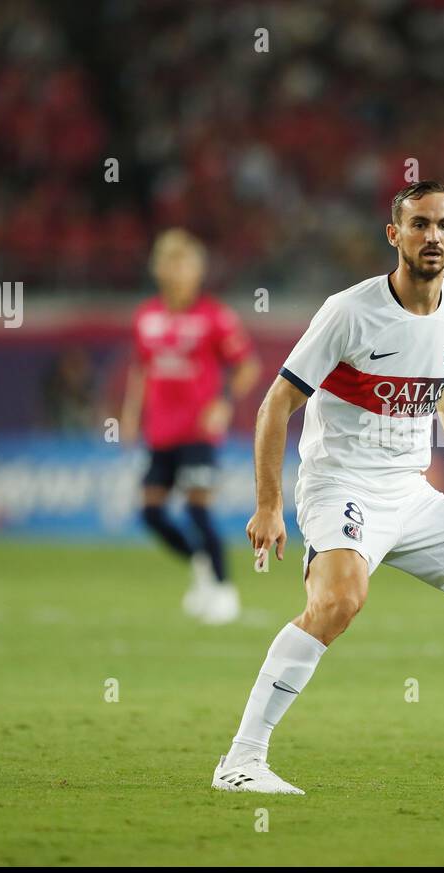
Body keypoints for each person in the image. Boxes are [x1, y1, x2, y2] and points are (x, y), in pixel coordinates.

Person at [212, 181, 444, 796]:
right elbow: (275, 406)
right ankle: (241, 760)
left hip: (413, 494)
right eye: (420, 224)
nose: (433, 236)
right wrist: (268, 504)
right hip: (339, 486)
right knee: (339, 602)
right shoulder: (349, 311)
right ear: (394, 234)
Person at [122, 229, 261, 625]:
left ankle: (223, 589)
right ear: (159, 268)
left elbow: (247, 367)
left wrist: (223, 403)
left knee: (198, 507)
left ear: (197, 271)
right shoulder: (146, 317)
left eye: (185, 263)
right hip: (160, 432)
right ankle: (201, 563)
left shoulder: (214, 317)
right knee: (150, 513)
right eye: (171, 262)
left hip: (199, 431)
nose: (178, 271)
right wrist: (131, 414)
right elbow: (140, 368)